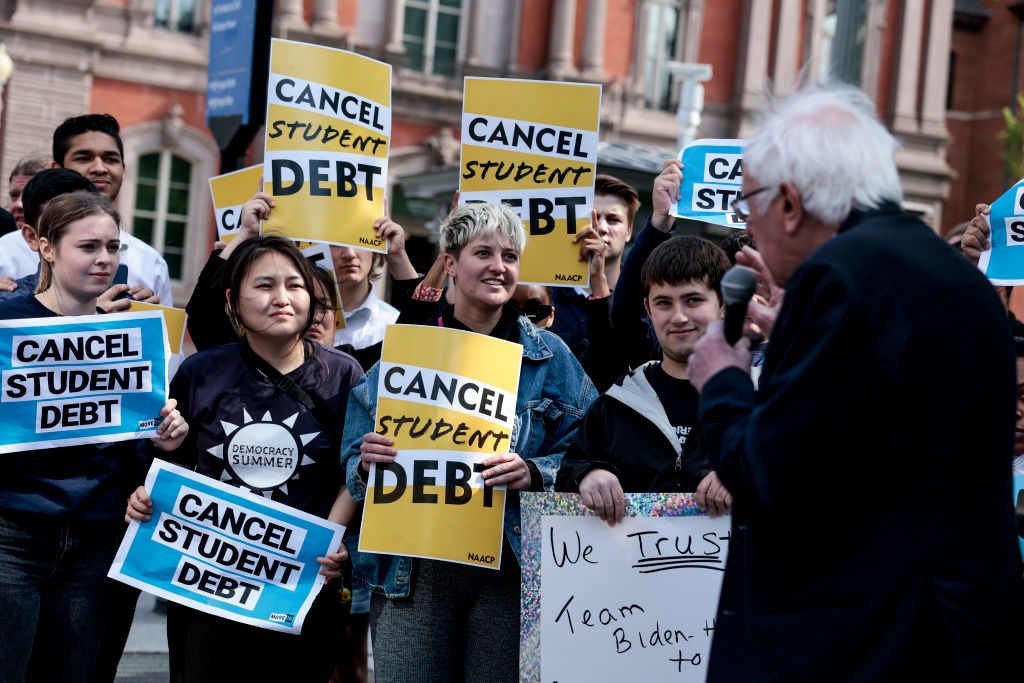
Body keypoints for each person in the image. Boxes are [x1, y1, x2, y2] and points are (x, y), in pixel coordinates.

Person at [687, 84, 1022, 680]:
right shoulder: (955, 276)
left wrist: (723, 380)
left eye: (749, 207)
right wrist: (799, 333)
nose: (749, 227)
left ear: (789, 204)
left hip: (849, 641)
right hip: (950, 633)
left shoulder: (839, 279)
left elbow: (768, 475)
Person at [342, 202, 597, 682]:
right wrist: (366, 461)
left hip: (509, 570)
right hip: (411, 573)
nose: (499, 266)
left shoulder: (551, 357)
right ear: (452, 263)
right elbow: (355, 455)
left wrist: (536, 472)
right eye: (484, 252)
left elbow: (592, 447)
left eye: (509, 256)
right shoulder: (410, 347)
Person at [126, 235, 363, 682]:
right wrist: (149, 485)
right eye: (265, 285)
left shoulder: (344, 374)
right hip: (208, 587)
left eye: (295, 285)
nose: (282, 298)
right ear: (233, 300)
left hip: (302, 587)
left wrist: (337, 540)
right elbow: (166, 464)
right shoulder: (201, 371)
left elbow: (358, 469)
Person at [0, 192, 187, 682]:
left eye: (113, 247)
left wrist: (162, 441)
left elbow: (132, 440)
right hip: (11, 537)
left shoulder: (136, 331)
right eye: (88, 247)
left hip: (97, 539)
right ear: (46, 248)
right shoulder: (7, 322)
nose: (105, 259)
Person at [557, 236, 732, 522]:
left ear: (724, 306)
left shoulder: (765, 401)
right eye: (664, 303)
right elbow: (566, 479)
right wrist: (587, 476)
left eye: (693, 300)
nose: (678, 317)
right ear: (648, 311)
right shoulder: (613, 405)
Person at [51, 114, 173, 304]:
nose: (100, 168)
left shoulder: (150, 263)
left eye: (110, 159)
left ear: (123, 170)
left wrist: (149, 321)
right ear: (56, 169)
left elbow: (168, 335)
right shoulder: (8, 255)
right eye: (84, 158)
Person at [0, 169, 161, 309]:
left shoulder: (129, 305)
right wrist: (92, 319)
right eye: (62, 218)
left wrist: (149, 325)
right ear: (33, 238)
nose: (104, 259)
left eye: (113, 247)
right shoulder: (8, 310)